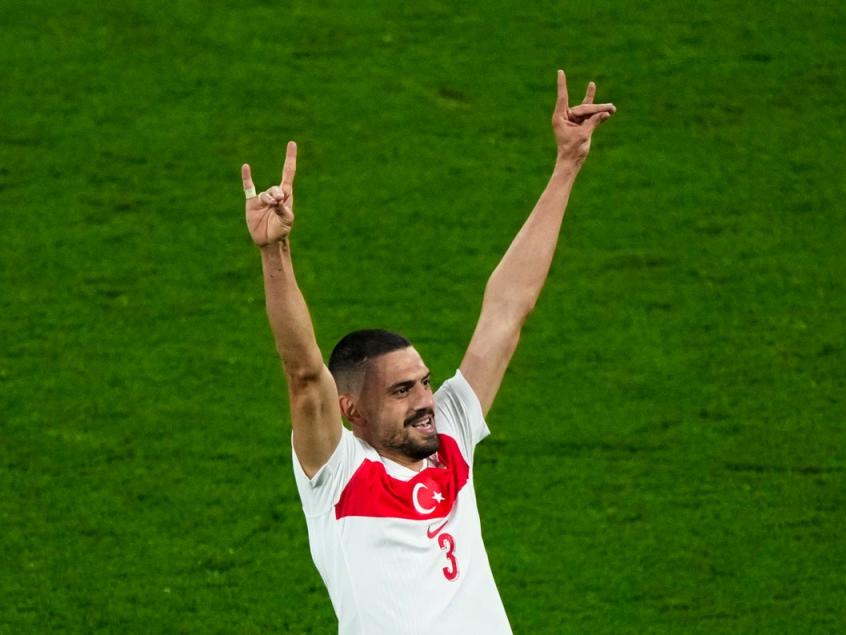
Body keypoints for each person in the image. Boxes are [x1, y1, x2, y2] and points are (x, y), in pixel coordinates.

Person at [241, 70, 615, 635]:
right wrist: (276, 252)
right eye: (401, 390)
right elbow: (302, 373)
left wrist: (567, 166)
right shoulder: (338, 474)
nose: (426, 401)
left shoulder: (451, 437)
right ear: (351, 410)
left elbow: (507, 309)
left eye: (423, 382)